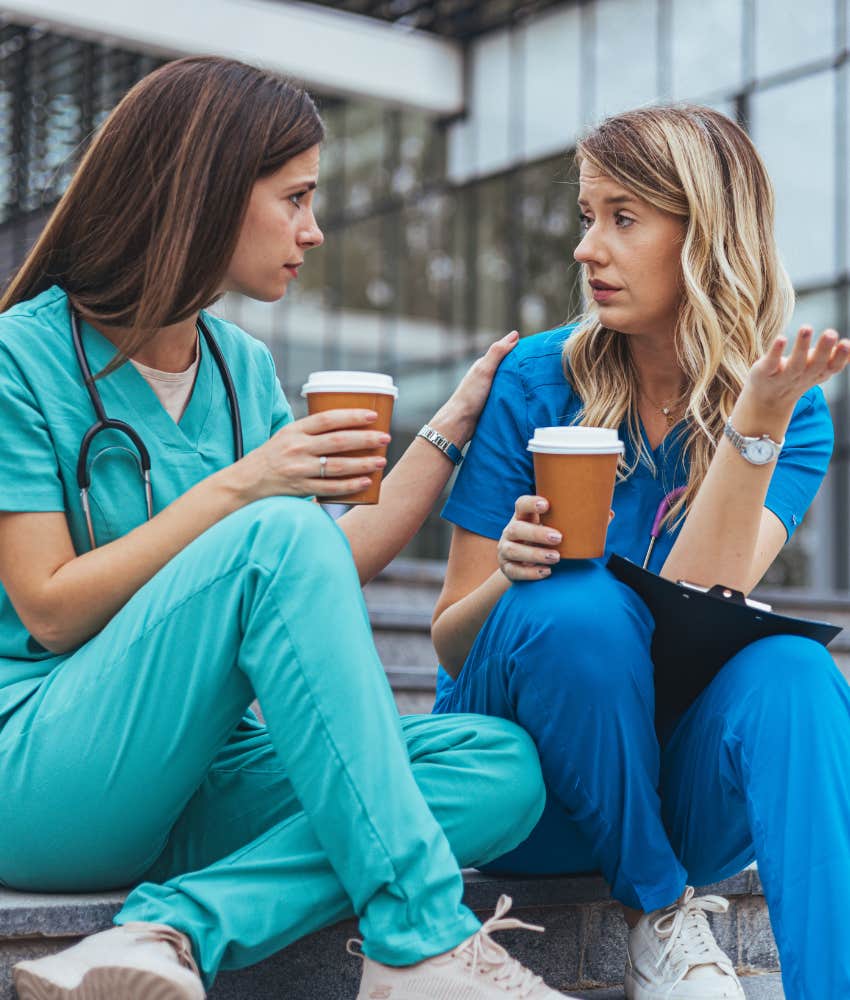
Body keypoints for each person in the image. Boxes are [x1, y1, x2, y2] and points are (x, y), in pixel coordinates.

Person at [0, 56, 576, 1000]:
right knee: (274, 534)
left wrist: (452, 426)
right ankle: (420, 939)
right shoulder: (20, 356)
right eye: (296, 198)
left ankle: (171, 928)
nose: (313, 230)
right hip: (46, 773)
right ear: (209, 192)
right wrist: (245, 486)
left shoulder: (239, 368)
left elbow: (323, 559)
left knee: (500, 766)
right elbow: (52, 610)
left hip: (198, 780)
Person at [430, 104, 850, 1000]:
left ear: (705, 239)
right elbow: (450, 643)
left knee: (796, 674)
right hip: (526, 788)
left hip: (672, 787)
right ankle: (662, 913)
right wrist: (513, 576)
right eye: (588, 216)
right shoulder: (537, 377)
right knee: (574, 601)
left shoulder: (788, 405)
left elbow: (700, 599)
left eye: (623, 218)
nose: (587, 248)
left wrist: (754, 424)